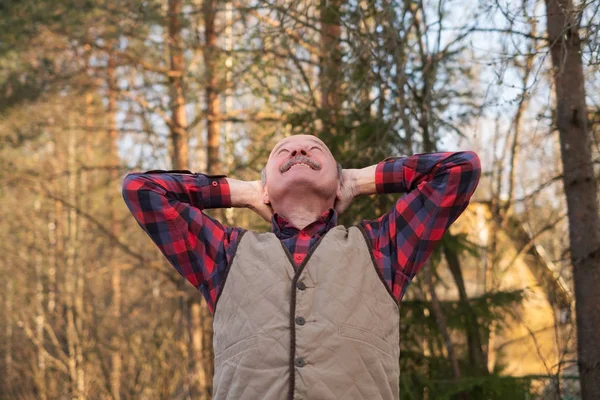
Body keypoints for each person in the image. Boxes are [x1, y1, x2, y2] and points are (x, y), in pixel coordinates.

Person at [122, 134, 481, 400]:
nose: (297, 151)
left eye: (314, 150)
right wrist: (244, 192)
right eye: (283, 152)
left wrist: (359, 180)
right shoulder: (225, 255)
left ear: (338, 181)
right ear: (265, 188)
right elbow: (142, 189)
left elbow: (460, 170)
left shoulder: (382, 249)